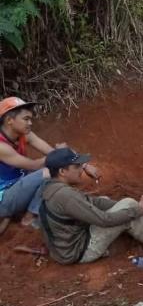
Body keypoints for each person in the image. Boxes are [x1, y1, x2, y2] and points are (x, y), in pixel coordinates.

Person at [38, 148, 143, 264]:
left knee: (108, 201)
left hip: (63, 250)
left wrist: (122, 206)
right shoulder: (66, 196)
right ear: (62, 171)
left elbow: (94, 202)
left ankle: (140, 223)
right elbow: (104, 220)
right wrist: (136, 210)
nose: (81, 170)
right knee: (128, 205)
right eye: (77, 167)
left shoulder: (53, 188)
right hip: (78, 252)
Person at [0, 97, 100, 234]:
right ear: (9, 121)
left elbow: (51, 152)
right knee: (49, 172)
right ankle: (29, 218)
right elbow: (33, 165)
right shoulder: (1, 146)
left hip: (17, 187)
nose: (30, 123)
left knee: (52, 171)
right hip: (4, 198)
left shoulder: (24, 134)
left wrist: (84, 165)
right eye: (26, 119)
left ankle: (22, 212)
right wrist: (58, 153)